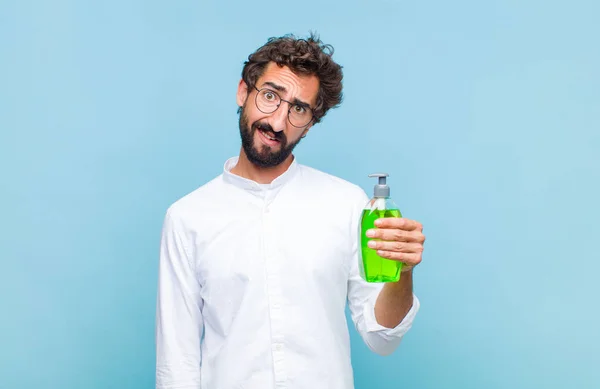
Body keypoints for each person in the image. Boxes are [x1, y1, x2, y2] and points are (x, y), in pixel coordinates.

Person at [155, 32, 426, 389]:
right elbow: (178, 364)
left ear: (311, 122)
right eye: (270, 96)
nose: (278, 122)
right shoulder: (187, 217)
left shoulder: (347, 203)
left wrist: (402, 272)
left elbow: (383, 338)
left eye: (298, 108)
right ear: (243, 92)